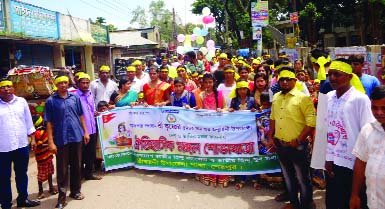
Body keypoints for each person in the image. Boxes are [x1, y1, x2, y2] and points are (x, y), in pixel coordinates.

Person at [322, 59, 374, 209]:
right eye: (330, 74)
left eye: (337, 74)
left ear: (349, 77)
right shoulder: (329, 97)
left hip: (354, 163)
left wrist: (365, 167)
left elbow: (367, 133)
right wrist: (327, 158)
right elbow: (328, 130)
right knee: (333, 201)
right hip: (333, 160)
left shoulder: (360, 99)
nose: (332, 78)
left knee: (354, 201)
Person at [269, 67, 316, 209]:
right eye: (282, 79)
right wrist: (272, 137)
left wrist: (299, 140)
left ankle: (306, 204)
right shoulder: (276, 97)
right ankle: (294, 203)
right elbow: (273, 118)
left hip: (298, 145)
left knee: (303, 178)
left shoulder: (303, 98)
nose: (284, 82)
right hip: (281, 144)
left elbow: (311, 122)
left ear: (295, 81)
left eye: (288, 79)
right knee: (288, 177)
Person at [45, 75, 90, 209]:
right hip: (61, 138)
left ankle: (75, 191)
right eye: (61, 83)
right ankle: (62, 197)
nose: (63, 85)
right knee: (62, 169)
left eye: (65, 82)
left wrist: (85, 132)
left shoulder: (74, 97)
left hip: (76, 136)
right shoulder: (51, 101)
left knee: (77, 165)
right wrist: (51, 142)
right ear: (56, 85)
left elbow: (81, 115)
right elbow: (48, 122)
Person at [0, 79, 41, 209]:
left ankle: (22, 199)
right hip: (3, 148)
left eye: (9, 87)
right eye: (3, 87)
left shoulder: (21, 102)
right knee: (4, 177)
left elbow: (29, 122)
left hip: (21, 145)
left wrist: (33, 139)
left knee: (22, 174)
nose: (6, 89)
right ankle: (6, 204)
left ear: (14, 89)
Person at [350, 85, 385, 209]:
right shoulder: (367, 130)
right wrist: (354, 195)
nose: (379, 112)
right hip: (373, 203)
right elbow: (360, 162)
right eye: (374, 108)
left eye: (383, 108)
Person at [75, 73, 102, 180]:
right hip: (81, 130)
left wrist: (95, 113)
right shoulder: (74, 96)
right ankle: (79, 174)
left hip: (92, 128)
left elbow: (91, 109)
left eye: (87, 83)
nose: (85, 85)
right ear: (78, 84)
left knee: (91, 152)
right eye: (83, 83)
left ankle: (89, 173)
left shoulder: (90, 94)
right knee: (80, 154)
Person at [32, 115, 58, 199]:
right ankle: (41, 191)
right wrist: (48, 144)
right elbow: (38, 145)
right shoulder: (37, 133)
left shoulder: (44, 131)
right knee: (42, 174)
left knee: (49, 172)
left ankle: (50, 187)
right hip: (42, 158)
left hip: (47, 156)